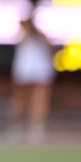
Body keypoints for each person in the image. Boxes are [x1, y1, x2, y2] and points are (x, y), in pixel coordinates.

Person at [9, 16, 55, 145]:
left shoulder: (42, 37)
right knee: (20, 100)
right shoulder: (20, 37)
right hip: (23, 72)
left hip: (40, 72)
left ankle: (36, 127)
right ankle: (17, 126)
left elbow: (50, 48)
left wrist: (39, 35)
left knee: (39, 100)